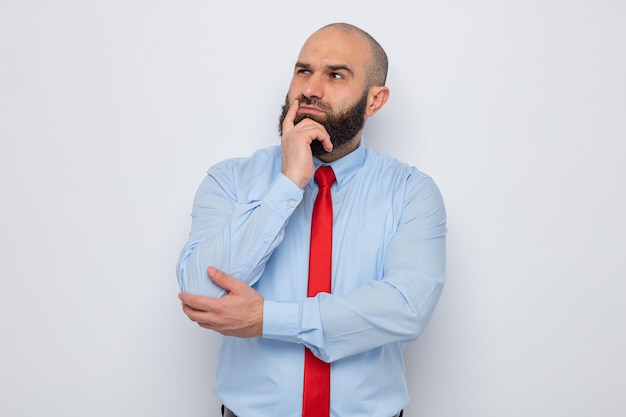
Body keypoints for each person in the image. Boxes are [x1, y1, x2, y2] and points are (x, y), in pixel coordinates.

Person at [176, 22, 446, 417]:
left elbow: (406, 307)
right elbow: (202, 294)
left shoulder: (410, 192)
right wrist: (289, 183)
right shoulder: (230, 180)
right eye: (304, 71)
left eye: (335, 75)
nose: (310, 89)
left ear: (375, 100)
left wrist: (267, 318)